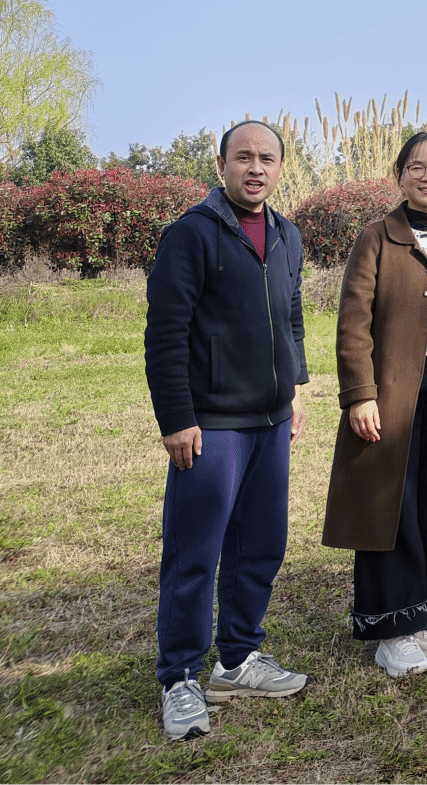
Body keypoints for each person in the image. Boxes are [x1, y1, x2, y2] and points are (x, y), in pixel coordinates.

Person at [143, 120, 311, 739]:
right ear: (221, 165)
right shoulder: (190, 234)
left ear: (281, 167)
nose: (255, 168)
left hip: (271, 422)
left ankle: (237, 659)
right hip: (211, 426)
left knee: (261, 545)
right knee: (195, 553)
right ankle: (180, 677)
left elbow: (292, 316)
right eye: (243, 157)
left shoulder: (287, 234)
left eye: (267, 157)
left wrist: (295, 387)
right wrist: (177, 418)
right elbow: (165, 335)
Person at [322, 132, 427, 678]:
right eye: (416, 167)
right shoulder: (376, 237)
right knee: (392, 505)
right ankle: (390, 629)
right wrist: (360, 394)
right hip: (395, 395)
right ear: (399, 176)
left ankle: (426, 616)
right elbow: (353, 322)